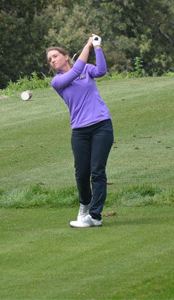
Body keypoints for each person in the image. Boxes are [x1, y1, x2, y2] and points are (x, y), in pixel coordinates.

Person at [47, 34, 114, 228]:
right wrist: (87, 45)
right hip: (80, 131)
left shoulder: (86, 69)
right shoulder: (57, 81)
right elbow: (76, 71)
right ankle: (84, 205)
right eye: (50, 60)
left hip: (101, 125)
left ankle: (95, 216)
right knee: (81, 173)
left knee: (97, 172)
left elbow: (101, 71)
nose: (52, 61)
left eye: (55, 56)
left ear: (65, 56)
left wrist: (98, 47)